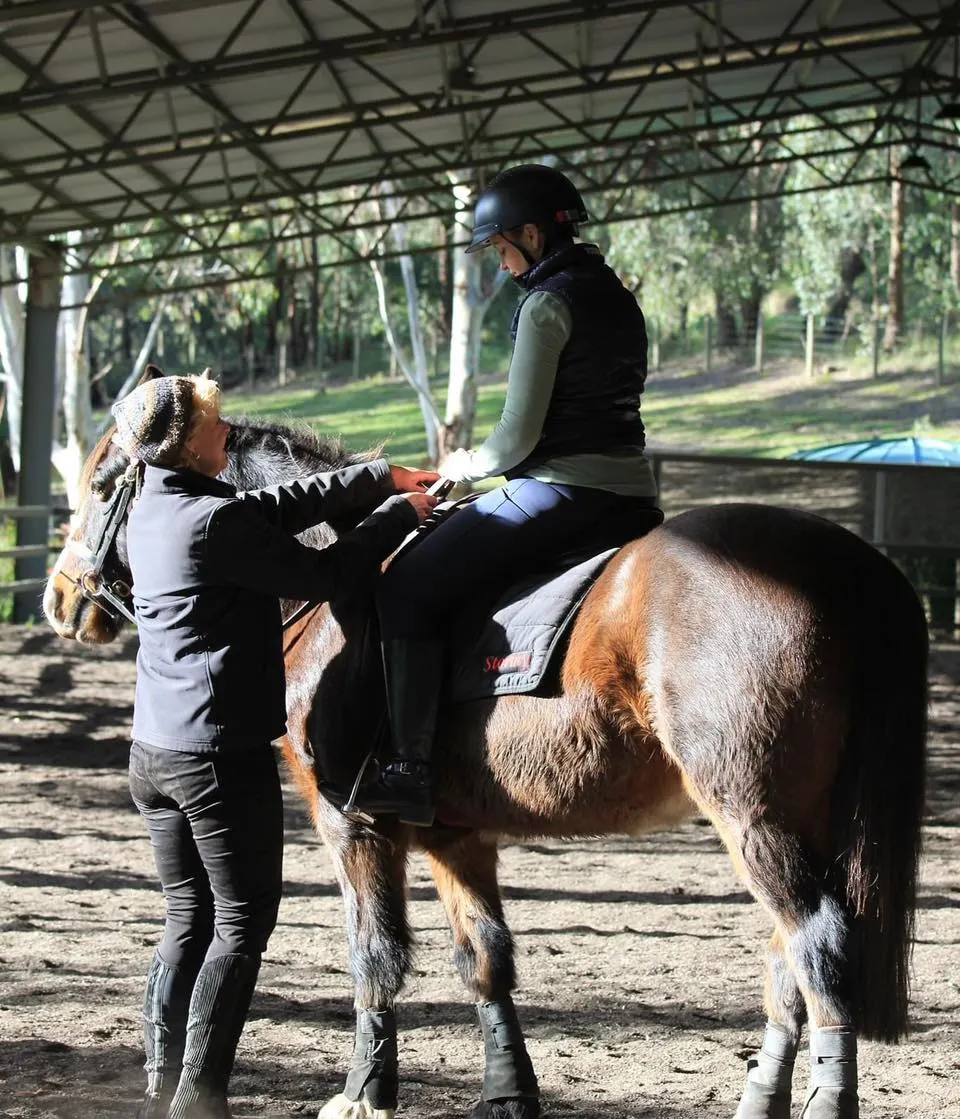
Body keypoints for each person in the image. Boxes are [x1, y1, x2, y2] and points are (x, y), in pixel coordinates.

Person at [110, 372, 438, 1119]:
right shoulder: (211, 525)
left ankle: (162, 1085)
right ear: (189, 445)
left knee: (187, 916)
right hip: (214, 759)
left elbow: (271, 505)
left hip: (153, 752)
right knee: (242, 919)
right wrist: (399, 515)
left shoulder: (154, 506)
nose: (227, 431)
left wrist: (380, 478)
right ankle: (199, 1097)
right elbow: (325, 572)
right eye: (215, 426)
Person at [347, 163, 663, 828]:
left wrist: (462, 467)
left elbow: (516, 441)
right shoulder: (618, 295)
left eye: (500, 249)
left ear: (530, 233)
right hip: (633, 495)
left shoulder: (546, 303)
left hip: (559, 492)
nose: (501, 265)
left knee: (405, 583)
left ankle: (408, 768)